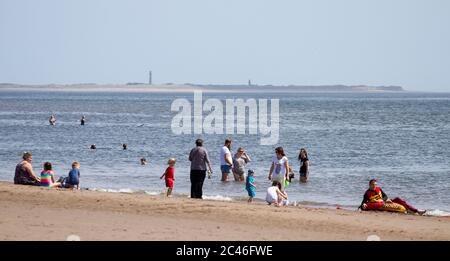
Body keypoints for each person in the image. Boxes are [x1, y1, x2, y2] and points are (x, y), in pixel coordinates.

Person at [360, 179, 426, 215]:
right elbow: (364, 203)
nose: (374, 186)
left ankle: (416, 211)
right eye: (373, 185)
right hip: (378, 204)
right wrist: (364, 205)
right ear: (369, 185)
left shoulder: (379, 189)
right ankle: (409, 211)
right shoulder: (367, 193)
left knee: (398, 199)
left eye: (375, 185)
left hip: (384, 202)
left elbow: (385, 196)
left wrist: (386, 199)